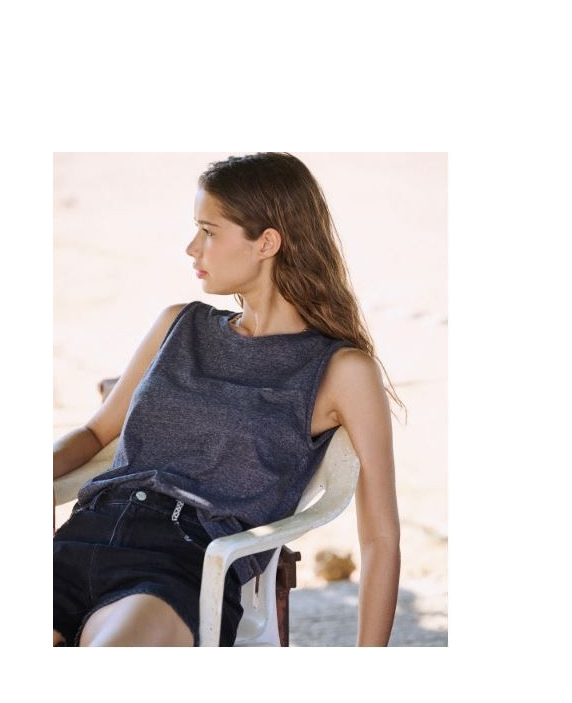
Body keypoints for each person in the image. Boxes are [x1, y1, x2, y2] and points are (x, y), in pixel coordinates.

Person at [53, 152, 405, 647]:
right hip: (80, 535)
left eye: (208, 231)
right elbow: (95, 433)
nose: (191, 247)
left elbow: (380, 537)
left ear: (267, 243)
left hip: (179, 566)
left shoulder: (341, 370)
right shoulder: (178, 325)